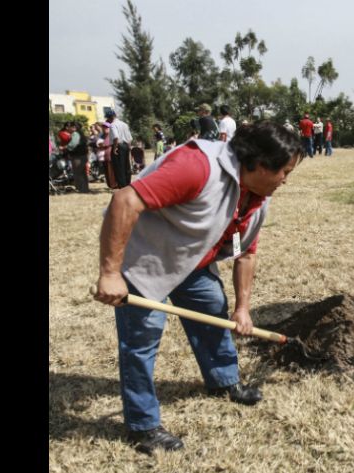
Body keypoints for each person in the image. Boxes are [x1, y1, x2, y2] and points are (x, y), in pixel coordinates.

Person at [92, 121, 304, 455]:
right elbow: (124, 201)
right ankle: (143, 425)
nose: (286, 181)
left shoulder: (257, 198)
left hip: (191, 259)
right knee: (141, 341)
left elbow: (245, 253)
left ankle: (223, 380)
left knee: (211, 307)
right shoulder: (197, 167)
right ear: (261, 166)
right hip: (146, 256)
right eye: (285, 172)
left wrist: (243, 308)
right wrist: (110, 273)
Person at [105, 109, 133, 189]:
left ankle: (122, 186)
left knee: (119, 167)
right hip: (126, 146)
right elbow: (129, 138)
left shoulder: (113, 125)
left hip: (118, 146)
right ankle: (128, 184)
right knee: (126, 166)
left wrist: (115, 148)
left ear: (109, 118)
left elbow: (116, 137)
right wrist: (129, 147)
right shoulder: (124, 124)